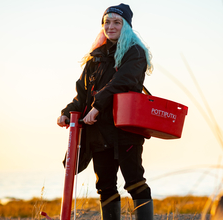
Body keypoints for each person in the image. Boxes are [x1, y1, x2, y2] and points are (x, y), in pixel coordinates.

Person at [57, 3, 154, 220]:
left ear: (126, 26)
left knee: (135, 181)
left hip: (126, 130)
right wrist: (67, 112)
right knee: (105, 186)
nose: (111, 26)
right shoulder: (95, 58)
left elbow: (121, 82)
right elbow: (82, 94)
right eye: (107, 22)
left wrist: (97, 107)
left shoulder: (135, 52)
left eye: (117, 22)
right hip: (98, 134)